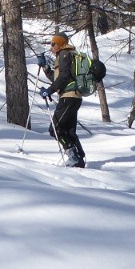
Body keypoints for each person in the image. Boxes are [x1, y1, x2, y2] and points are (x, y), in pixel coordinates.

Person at [36, 32, 87, 168]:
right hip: (73, 97)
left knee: (55, 128)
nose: (51, 46)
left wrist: (50, 90)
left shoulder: (64, 54)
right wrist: (45, 68)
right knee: (69, 131)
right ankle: (79, 159)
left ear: (60, 44)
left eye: (53, 44)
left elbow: (64, 77)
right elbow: (58, 78)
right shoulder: (67, 55)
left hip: (69, 97)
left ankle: (73, 156)